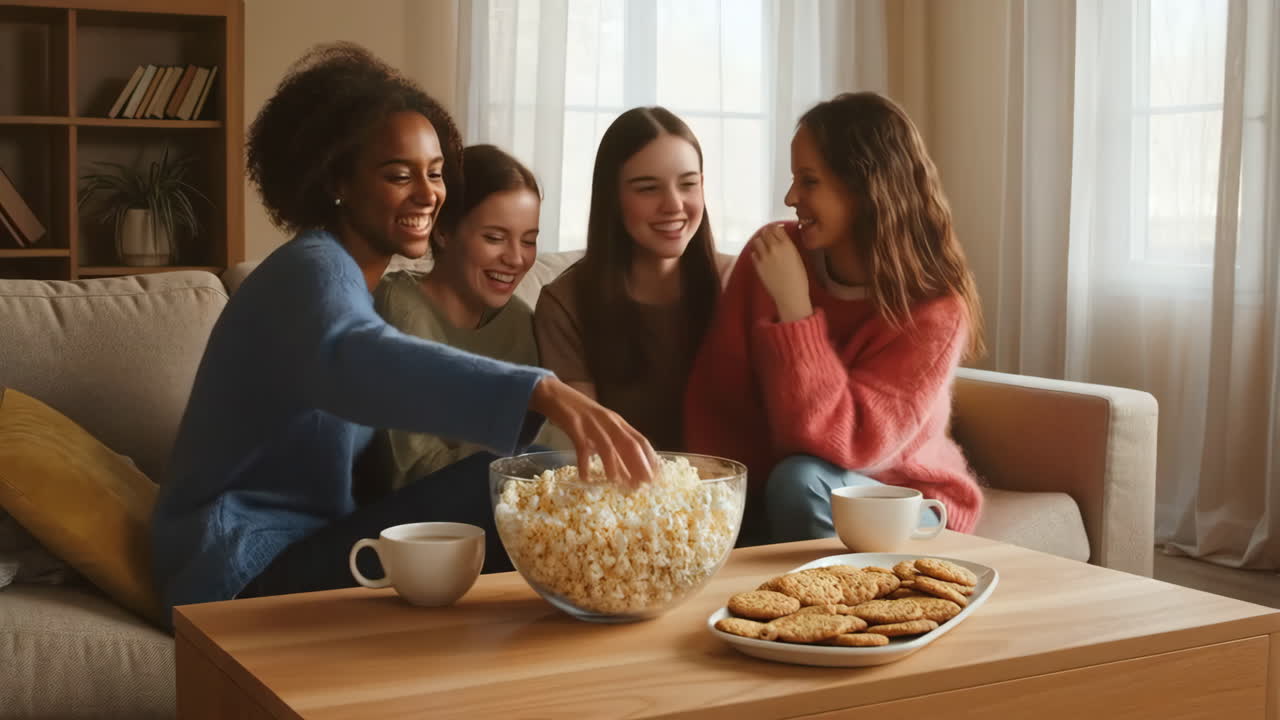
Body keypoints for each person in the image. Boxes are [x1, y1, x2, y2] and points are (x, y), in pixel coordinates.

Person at [149, 43, 656, 621]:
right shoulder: (311, 271)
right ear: (337, 179)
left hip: (301, 549)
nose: (427, 194)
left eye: (435, 174)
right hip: (237, 574)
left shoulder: (346, 277)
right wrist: (541, 390)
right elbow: (357, 358)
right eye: (398, 175)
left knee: (524, 482)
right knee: (516, 480)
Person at [683, 92, 985, 546]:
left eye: (809, 181)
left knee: (798, 480)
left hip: (904, 500)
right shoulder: (774, 252)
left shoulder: (935, 312)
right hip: (785, 489)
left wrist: (796, 312)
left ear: (864, 189)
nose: (790, 198)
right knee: (747, 490)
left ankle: (839, 607)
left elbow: (854, 444)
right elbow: (720, 403)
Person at [534, 107, 724, 452]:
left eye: (688, 184)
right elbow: (591, 444)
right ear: (613, 198)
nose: (674, 204)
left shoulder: (738, 282)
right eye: (648, 188)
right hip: (622, 490)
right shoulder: (565, 302)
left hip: (732, 485)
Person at [365, 144, 549, 496]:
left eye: (528, 241)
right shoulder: (399, 307)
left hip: (497, 502)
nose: (516, 258)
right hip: (406, 517)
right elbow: (411, 472)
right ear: (444, 231)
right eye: (494, 238)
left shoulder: (519, 321)